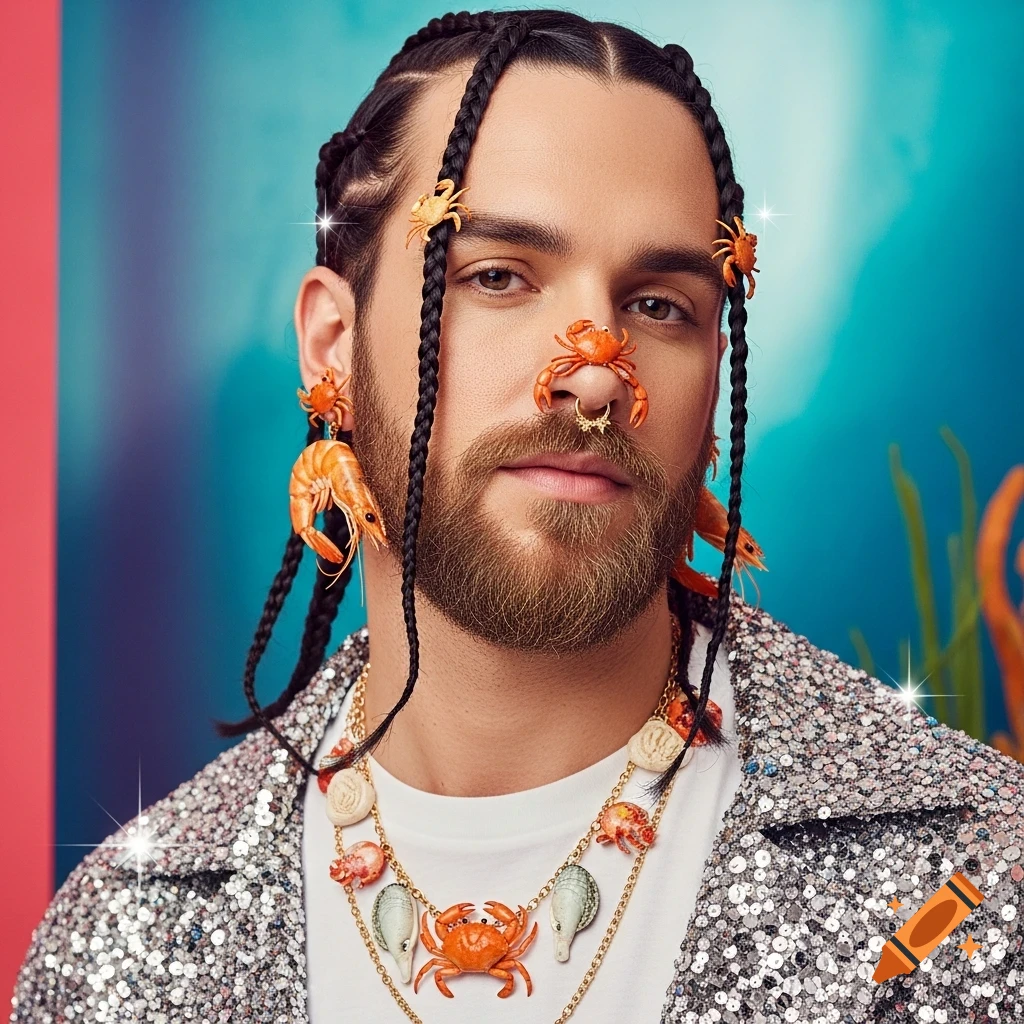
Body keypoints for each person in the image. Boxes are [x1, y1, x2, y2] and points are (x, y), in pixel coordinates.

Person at [11, 10, 1024, 1024]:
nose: (593, 375)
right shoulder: (123, 947)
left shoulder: (973, 886)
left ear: (713, 372)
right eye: (495, 276)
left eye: (662, 304)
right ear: (331, 348)